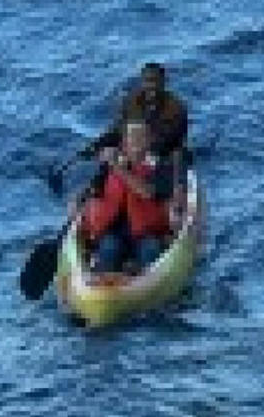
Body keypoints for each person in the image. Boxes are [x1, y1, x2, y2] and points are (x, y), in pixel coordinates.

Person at [82, 61, 189, 206]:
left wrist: (148, 151)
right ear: (142, 82)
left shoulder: (176, 107)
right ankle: (96, 189)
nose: (151, 86)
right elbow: (119, 129)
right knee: (109, 153)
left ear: (164, 82)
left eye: (155, 81)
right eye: (147, 81)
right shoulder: (131, 102)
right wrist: (98, 144)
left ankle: (177, 196)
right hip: (134, 146)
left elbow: (174, 137)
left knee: (179, 156)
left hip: (165, 150)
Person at [77, 119, 175, 274]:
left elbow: (147, 192)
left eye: (141, 136)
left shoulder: (161, 167)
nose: (136, 140)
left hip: (148, 233)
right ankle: (104, 280)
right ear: (125, 141)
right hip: (115, 231)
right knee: (108, 248)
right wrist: (78, 202)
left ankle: (143, 282)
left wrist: (116, 166)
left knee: (149, 251)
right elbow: (94, 189)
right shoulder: (109, 166)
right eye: (132, 136)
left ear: (149, 140)